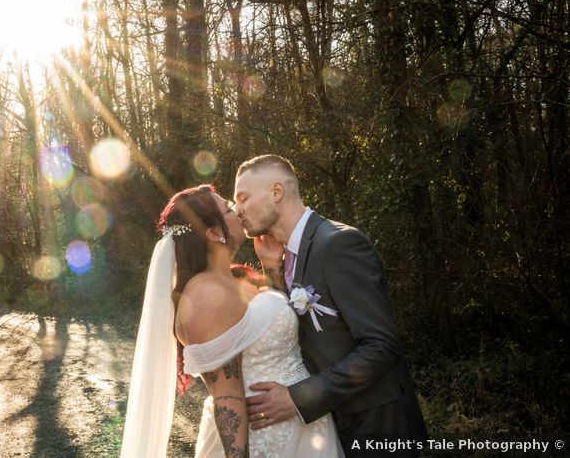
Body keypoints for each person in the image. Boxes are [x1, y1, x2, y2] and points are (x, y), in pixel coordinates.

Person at [121, 184, 342, 457]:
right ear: (214, 233)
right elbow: (226, 393)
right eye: (228, 208)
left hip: (300, 423)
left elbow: (264, 327)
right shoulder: (205, 295)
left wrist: (271, 266)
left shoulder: (235, 278)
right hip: (267, 437)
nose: (237, 210)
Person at [233, 154, 428, 456]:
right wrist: (272, 270)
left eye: (243, 198)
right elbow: (296, 330)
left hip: (375, 425)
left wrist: (298, 397)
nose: (237, 209)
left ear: (276, 192)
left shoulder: (338, 244)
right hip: (333, 425)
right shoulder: (284, 256)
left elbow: (381, 346)